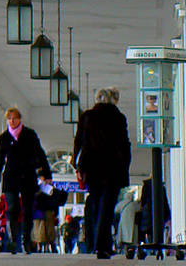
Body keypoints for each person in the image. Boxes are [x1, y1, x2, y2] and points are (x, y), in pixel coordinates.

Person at [72, 87, 131, 260]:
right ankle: (102, 245)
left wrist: (79, 167)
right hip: (113, 167)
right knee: (107, 206)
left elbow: (79, 143)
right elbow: (124, 144)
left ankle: (98, 244)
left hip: (92, 167)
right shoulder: (118, 117)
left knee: (97, 204)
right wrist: (125, 165)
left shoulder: (87, 116)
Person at [0, 106, 52, 253]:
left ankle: (26, 239)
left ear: (20, 119)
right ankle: (14, 240)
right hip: (11, 177)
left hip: (27, 176)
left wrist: (46, 173)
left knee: (27, 209)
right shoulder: (4, 138)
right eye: (9, 119)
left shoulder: (30, 135)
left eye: (15, 118)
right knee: (12, 208)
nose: (12, 121)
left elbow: (40, 153)